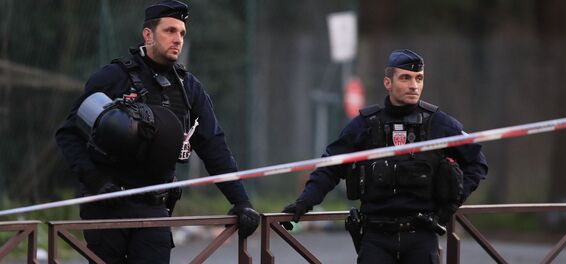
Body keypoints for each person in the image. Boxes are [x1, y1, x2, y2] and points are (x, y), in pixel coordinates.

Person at [55, 1, 259, 263]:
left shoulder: (189, 88)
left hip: (155, 208)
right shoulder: (112, 77)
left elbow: (214, 146)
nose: (178, 39)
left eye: (182, 33)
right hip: (107, 207)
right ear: (148, 35)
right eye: (170, 31)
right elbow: (68, 134)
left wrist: (242, 202)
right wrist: (94, 180)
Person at [281, 49, 488, 263]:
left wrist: (450, 206)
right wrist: (304, 202)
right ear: (388, 83)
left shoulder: (440, 125)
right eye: (405, 78)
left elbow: (477, 163)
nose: (414, 85)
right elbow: (330, 167)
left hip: (421, 236)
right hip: (375, 238)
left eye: (419, 78)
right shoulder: (364, 125)